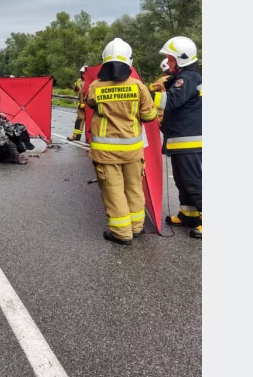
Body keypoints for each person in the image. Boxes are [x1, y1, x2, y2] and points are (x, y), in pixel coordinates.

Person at [86, 38, 158, 245]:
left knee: (114, 191)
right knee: (134, 188)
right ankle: (136, 227)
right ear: (129, 61)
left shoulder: (95, 86)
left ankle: (121, 232)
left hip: (105, 154)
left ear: (104, 62)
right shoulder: (138, 87)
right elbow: (150, 116)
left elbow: (90, 104)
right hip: (133, 151)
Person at [155, 36, 202, 239]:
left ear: (181, 59)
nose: (168, 61)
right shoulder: (184, 78)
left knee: (193, 181)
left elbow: (170, 101)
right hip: (181, 140)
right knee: (182, 181)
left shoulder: (189, 78)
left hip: (189, 141)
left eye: (170, 58)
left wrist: (144, 95)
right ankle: (189, 215)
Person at [68, 65, 87, 141]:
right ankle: (76, 136)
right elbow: (75, 89)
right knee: (79, 120)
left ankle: (91, 139)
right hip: (81, 105)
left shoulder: (92, 81)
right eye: (82, 73)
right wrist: (75, 88)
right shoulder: (78, 81)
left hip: (90, 105)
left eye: (84, 73)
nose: (83, 75)